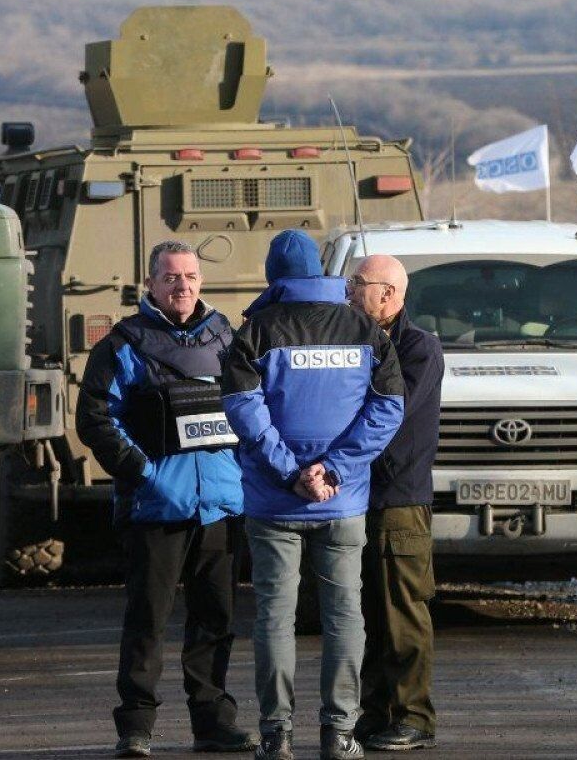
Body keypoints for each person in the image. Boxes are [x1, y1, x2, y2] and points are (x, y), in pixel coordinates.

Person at [221, 231, 406, 760]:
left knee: (274, 619)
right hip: (341, 502)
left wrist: (291, 473)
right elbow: (388, 409)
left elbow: (243, 409)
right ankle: (340, 734)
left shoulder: (256, 330)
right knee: (345, 615)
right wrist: (335, 470)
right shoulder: (365, 330)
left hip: (274, 501)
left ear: (274, 276)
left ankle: (276, 736)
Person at [76, 241, 254, 758]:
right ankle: (136, 727)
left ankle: (213, 724)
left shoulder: (227, 338)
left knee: (216, 620)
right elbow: (95, 418)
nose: (183, 286)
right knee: (147, 622)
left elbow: (251, 408)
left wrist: (242, 475)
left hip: (221, 506)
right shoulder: (123, 344)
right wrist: (143, 473)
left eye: (191, 276)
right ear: (151, 284)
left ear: (202, 281)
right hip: (155, 507)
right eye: (172, 277)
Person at [348, 255, 444, 753]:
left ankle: (414, 716)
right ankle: (377, 712)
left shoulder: (417, 348)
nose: (348, 290)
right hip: (358, 497)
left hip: (398, 499)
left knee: (403, 611)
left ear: (387, 294)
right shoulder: (354, 341)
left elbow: (391, 409)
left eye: (357, 283)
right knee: (369, 612)